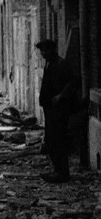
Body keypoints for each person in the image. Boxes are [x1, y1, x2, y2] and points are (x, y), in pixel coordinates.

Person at [36, 39, 79, 183]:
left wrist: (62, 96)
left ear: (52, 50)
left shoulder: (61, 64)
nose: (43, 53)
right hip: (50, 109)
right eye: (41, 50)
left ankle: (62, 173)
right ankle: (57, 170)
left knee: (58, 140)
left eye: (45, 50)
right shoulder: (49, 64)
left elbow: (74, 81)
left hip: (59, 110)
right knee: (51, 140)